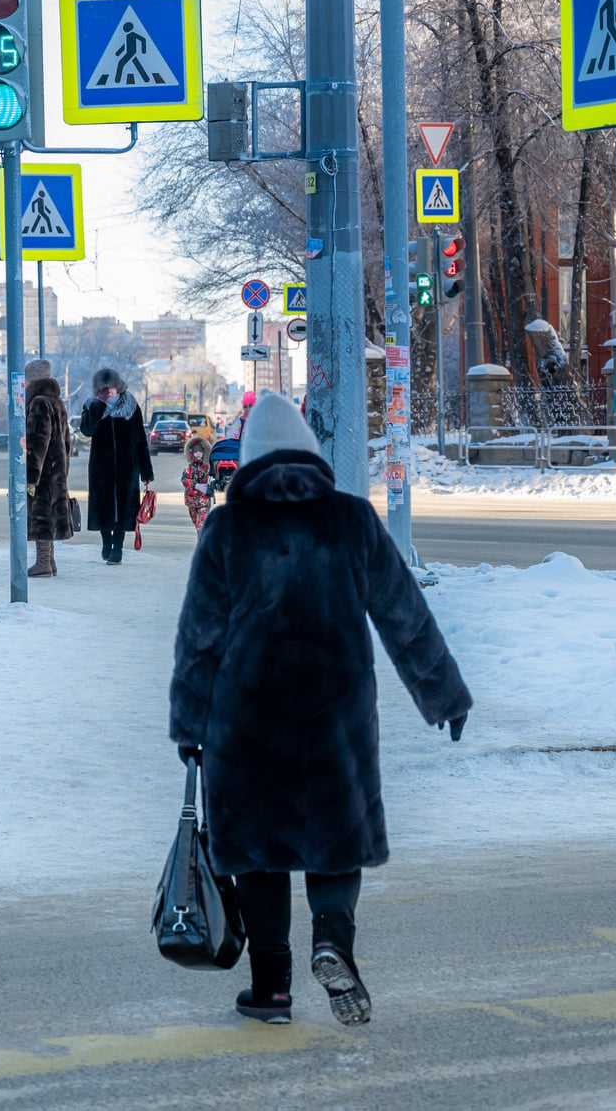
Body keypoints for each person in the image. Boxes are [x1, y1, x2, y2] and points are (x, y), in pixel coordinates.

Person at [169, 393, 472, 1027]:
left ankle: (272, 991)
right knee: (335, 840)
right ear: (311, 451)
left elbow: (199, 638)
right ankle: (332, 938)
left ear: (248, 459)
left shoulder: (227, 528)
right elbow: (402, 615)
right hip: (336, 718)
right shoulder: (351, 520)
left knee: (258, 850)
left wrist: (189, 727)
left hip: (245, 722)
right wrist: (442, 693)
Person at [79, 368, 153, 565]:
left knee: (124, 507)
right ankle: (106, 542)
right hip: (100, 467)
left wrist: (146, 471)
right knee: (103, 506)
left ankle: (118, 547)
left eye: (110, 388)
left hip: (127, 467)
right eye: (103, 389)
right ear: (98, 391)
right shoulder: (91, 406)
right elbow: (86, 431)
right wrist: (98, 408)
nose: (108, 392)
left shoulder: (131, 406)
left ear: (118, 386)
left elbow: (140, 440)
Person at [23, 359, 74, 578]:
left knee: (41, 514)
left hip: (43, 470)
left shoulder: (38, 403)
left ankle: (43, 562)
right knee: (50, 513)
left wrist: (31, 476)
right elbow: (67, 442)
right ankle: (49, 561)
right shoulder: (57, 402)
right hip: (57, 468)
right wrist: (63, 470)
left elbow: (37, 442)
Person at [181, 443, 213, 533]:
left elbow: (212, 480)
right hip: (191, 501)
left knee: (201, 525)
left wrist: (210, 486)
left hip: (204, 501)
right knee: (196, 523)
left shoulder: (208, 468)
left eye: (200, 451)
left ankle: (201, 542)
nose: (198, 454)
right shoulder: (188, 468)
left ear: (204, 453)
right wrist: (196, 485)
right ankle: (201, 540)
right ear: (191, 453)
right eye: (196, 452)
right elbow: (184, 480)